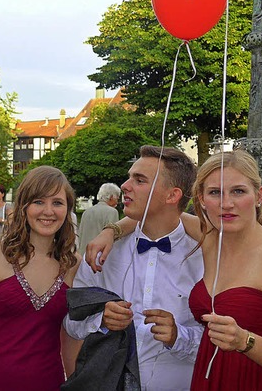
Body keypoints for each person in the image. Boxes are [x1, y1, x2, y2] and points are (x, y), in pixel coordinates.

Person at [64, 145, 204, 390]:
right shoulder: (102, 253)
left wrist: (179, 336)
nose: (125, 186)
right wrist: (101, 320)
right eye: (129, 177)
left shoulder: (204, 258)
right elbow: (71, 323)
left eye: (139, 180)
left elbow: (223, 341)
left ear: (172, 195)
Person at [0, 166, 81, 391]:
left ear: (68, 209)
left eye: (57, 203)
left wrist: (78, 383)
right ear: (23, 207)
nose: (48, 211)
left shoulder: (73, 264)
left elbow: (71, 337)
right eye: (39, 201)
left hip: (47, 381)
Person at [186, 150, 262, 389]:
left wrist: (244, 341)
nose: (227, 203)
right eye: (215, 192)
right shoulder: (208, 240)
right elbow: (159, 212)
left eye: (238, 191)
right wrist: (112, 231)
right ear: (202, 199)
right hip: (210, 379)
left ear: (259, 196)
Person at [77, 183, 121, 252]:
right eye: (117, 198)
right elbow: (113, 238)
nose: (117, 202)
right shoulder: (112, 212)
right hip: (99, 256)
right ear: (111, 197)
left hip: (84, 255)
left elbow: (80, 236)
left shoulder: (86, 212)